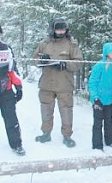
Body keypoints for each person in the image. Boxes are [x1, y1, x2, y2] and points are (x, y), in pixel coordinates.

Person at [33, 17, 83, 148]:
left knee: (66, 111)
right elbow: (34, 59)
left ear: (66, 30)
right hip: (46, 84)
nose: (60, 31)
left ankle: (67, 136)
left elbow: (79, 62)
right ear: (53, 29)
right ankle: (46, 133)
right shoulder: (45, 43)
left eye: (63, 29)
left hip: (64, 85)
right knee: (45, 110)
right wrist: (41, 60)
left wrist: (65, 64)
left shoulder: (71, 44)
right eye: (58, 29)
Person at [0, 25, 25, 156]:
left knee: (11, 119)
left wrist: (18, 87)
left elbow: (12, 70)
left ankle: (16, 144)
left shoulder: (5, 49)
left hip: (6, 90)